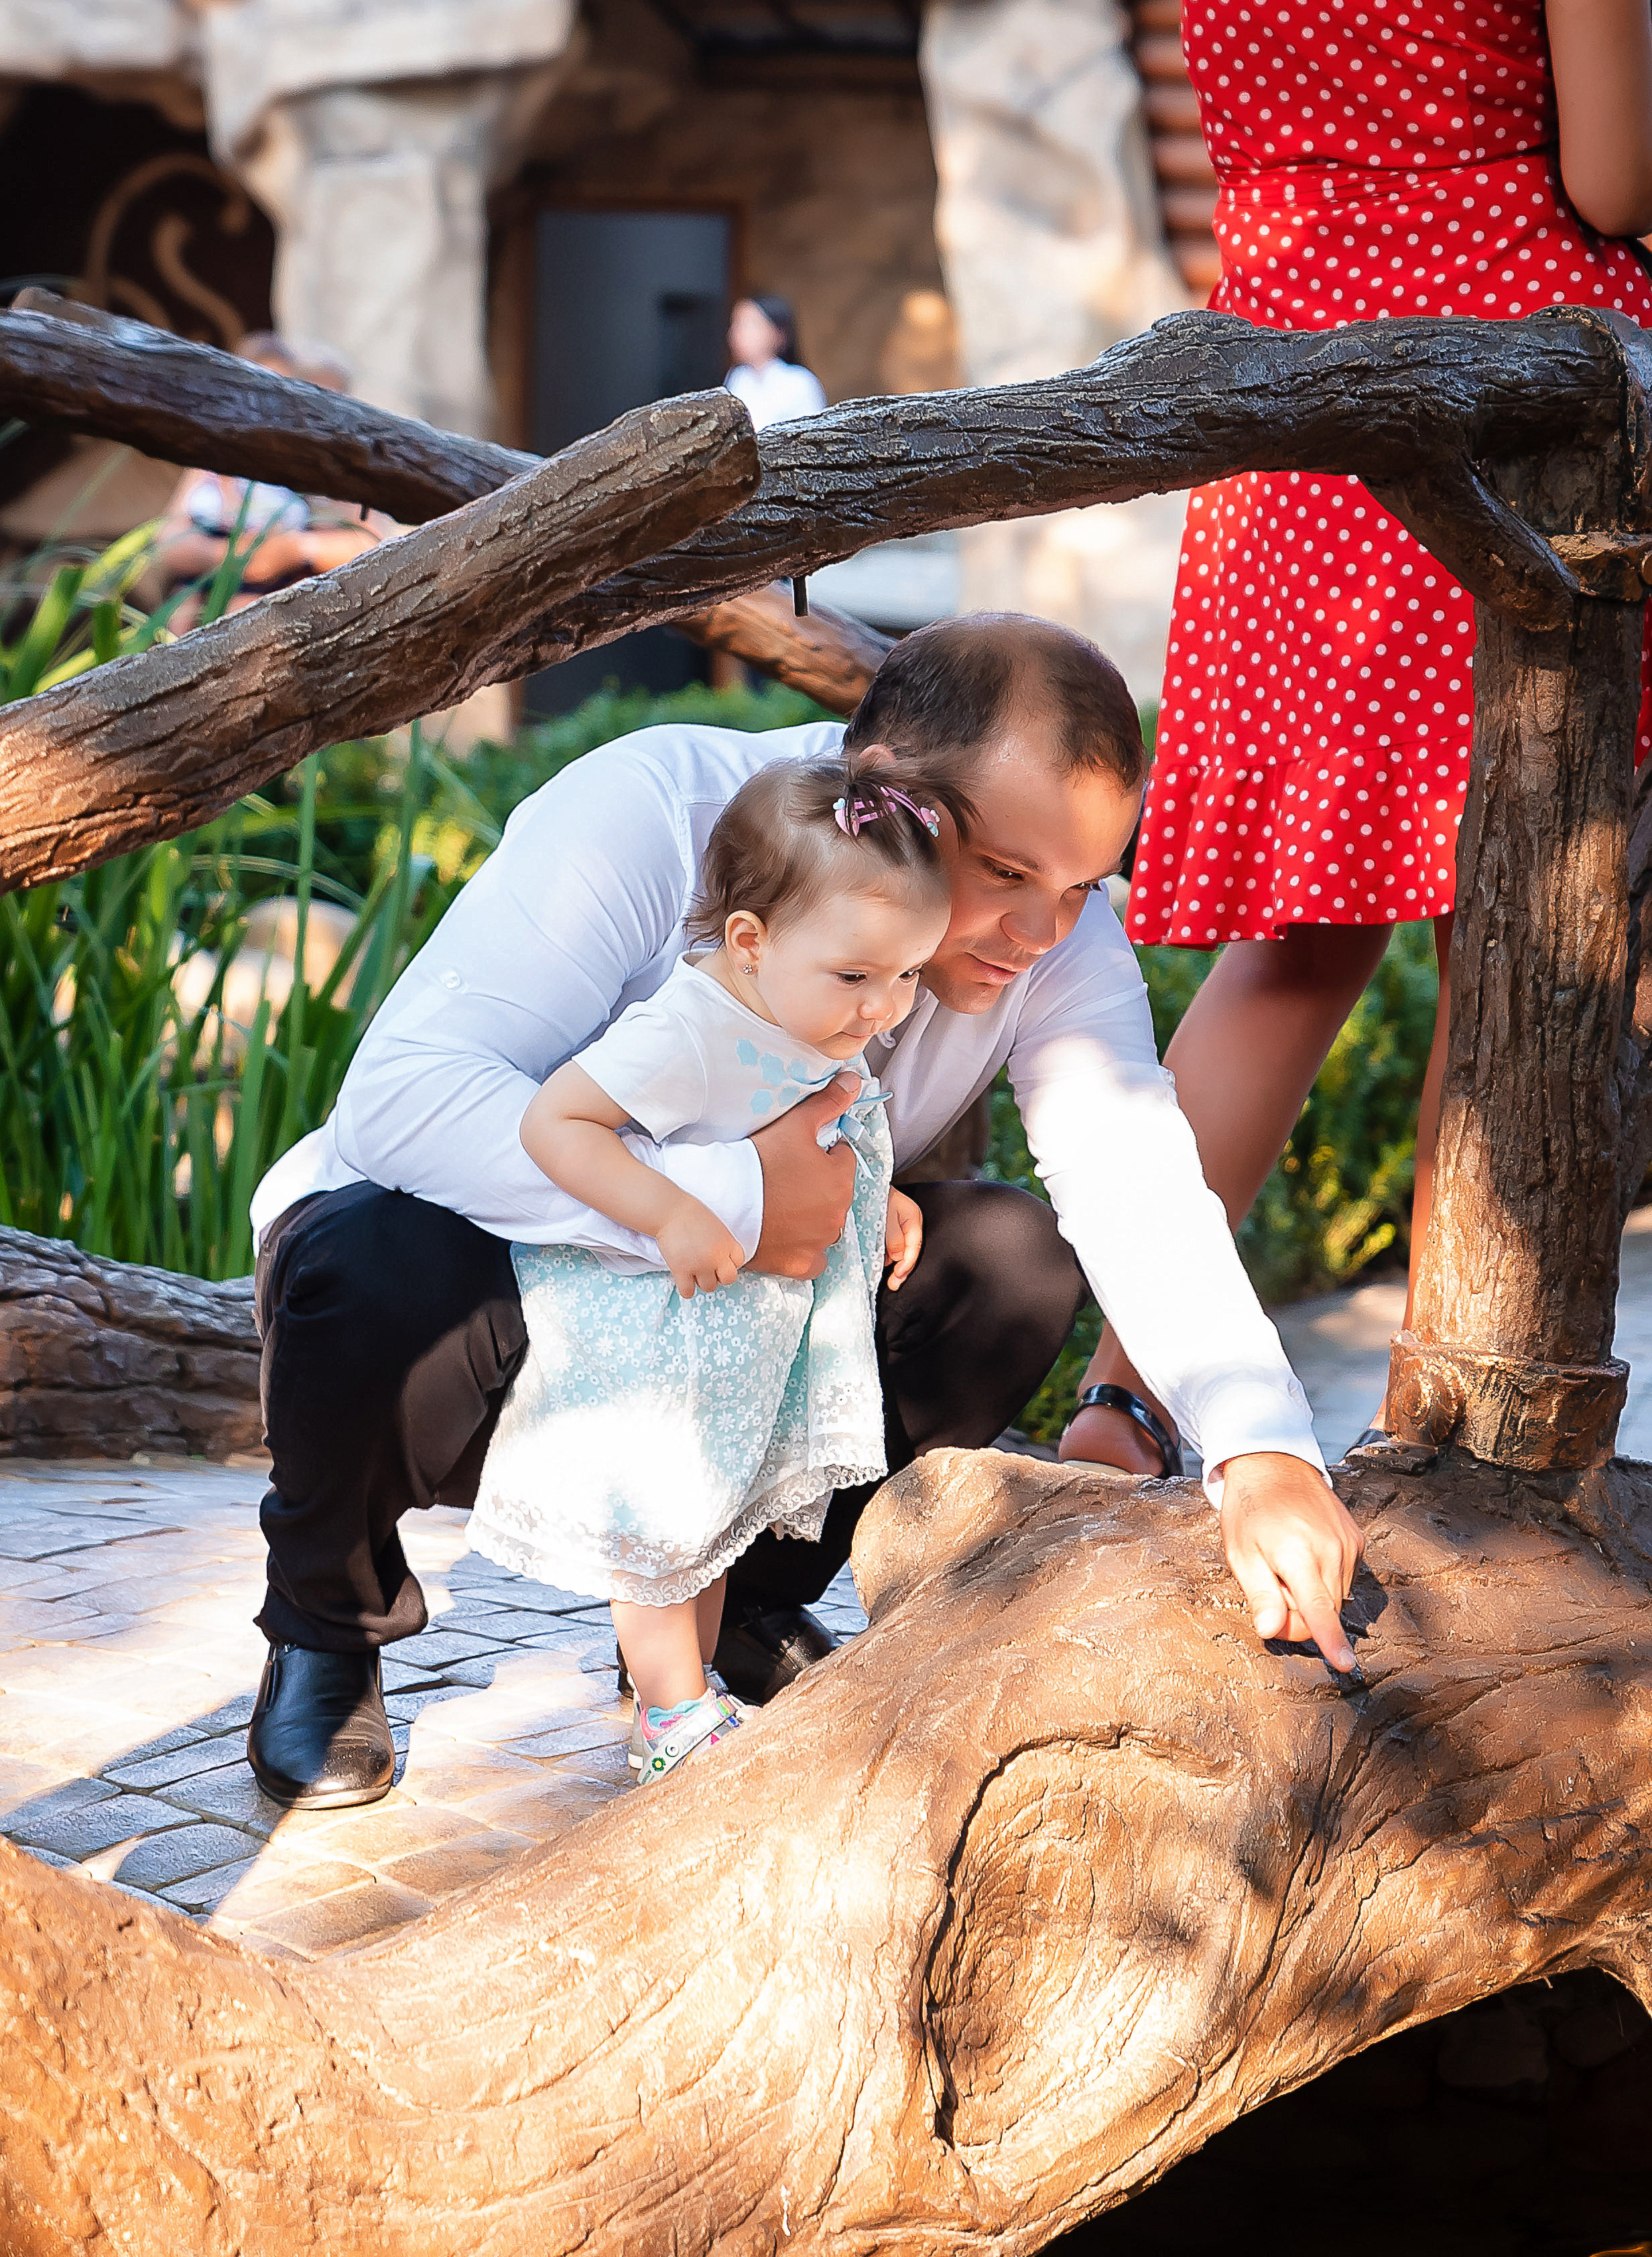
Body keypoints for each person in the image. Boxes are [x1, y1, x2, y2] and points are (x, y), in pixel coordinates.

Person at [245, 613, 1364, 1813]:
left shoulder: (1057, 937)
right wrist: (739, 1204)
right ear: (887, 790)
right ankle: (326, 1622)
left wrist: (1264, 1452)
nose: (1045, 934)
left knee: (1011, 1262)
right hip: (494, 1309)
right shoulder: (651, 813)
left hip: (746, 1342)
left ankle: (749, 1607)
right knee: (370, 1256)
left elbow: (1128, 1165)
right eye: (1007, 875)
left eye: (1086, 884)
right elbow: (405, 1103)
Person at [1072, 0, 1652, 1476]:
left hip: (1292, 377)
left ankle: (1121, 1408)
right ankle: (1442, 1424)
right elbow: (1615, 183)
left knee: (1290, 942)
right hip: (1510, 382)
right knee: (1517, 928)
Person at [467, 754, 954, 1785]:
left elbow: (831, 1122)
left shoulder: (811, 1006)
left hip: (748, 1320)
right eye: (861, 976)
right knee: (663, 1511)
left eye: (911, 974)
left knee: (716, 1515)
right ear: (748, 940)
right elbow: (558, 1123)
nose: (886, 1008)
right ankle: (668, 1711)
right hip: (661, 1315)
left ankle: (687, 1687)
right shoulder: (688, 1031)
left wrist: (883, 1193)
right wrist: (671, 1214)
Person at [146, 331, 395, 629]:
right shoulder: (213, 463)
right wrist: (234, 557)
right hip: (205, 605)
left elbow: (368, 544)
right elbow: (169, 541)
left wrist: (293, 550)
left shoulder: (342, 471)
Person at [724, 294, 827, 429]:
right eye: (736, 324)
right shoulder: (738, 377)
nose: (737, 333)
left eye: (750, 325)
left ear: (778, 333)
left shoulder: (801, 383)